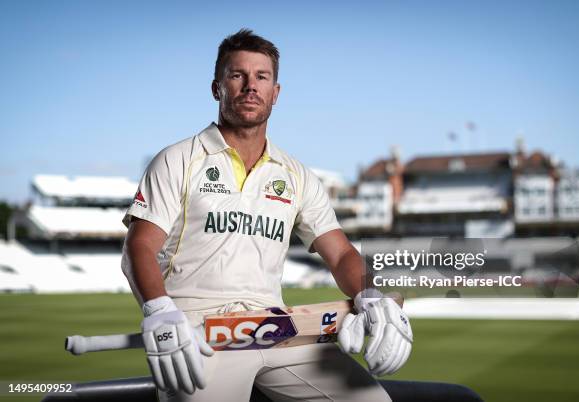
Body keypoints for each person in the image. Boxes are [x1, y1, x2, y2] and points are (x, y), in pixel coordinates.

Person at [121, 29, 412, 402]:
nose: (250, 87)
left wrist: (369, 293)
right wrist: (159, 311)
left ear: (276, 93)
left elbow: (340, 254)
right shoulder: (177, 159)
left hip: (277, 328)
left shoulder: (296, 175)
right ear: (217, 88)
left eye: (262, 77)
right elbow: (139, 247)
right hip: (200, 333)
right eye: (237, 75)